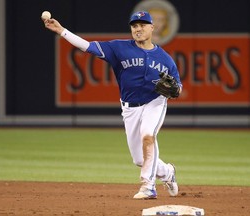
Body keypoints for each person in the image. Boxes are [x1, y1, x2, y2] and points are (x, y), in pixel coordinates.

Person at [42, 11, 182, 199]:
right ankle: (167, 172)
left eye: (142, 25)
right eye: (134, 26)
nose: (138, 29)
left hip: (154, 102)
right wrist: (62, 31)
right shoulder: (118, 48)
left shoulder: (165, 59)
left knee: (148, 136)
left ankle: (148, 186)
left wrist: (176, 91)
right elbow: (88, 47)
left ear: (152, 28)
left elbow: (178, 88)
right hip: (130, 107)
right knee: (139, 159)